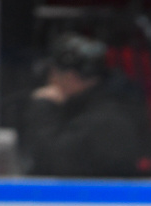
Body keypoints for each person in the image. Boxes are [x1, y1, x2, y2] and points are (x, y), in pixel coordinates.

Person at [22, 33, 141, 177]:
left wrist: (44, 107)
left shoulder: (107, 119)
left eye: (53, 73)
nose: (50, 80)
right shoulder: (98, 104)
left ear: (70, 77)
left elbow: (53, 164)